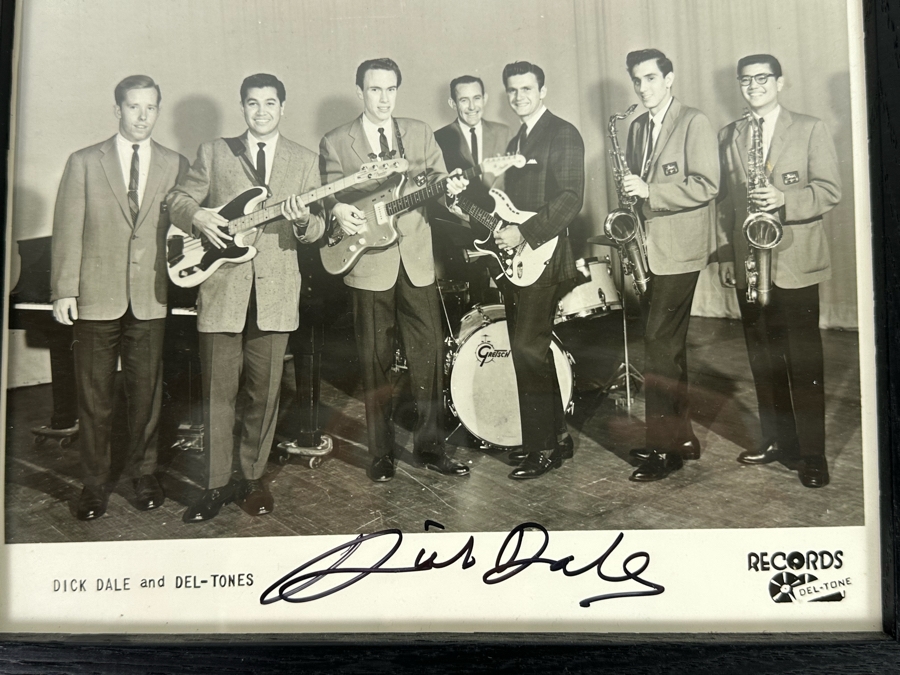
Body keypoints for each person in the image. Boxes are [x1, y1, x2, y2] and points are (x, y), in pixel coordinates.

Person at [167, 73, 325, 521]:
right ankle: (215, 485)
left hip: (276, 293)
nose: (261, 111)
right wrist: (197, 215)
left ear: (283, 107)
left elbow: (316, 229)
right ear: (242, 107)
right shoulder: (214, 152)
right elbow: (178, 198)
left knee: (265, 393)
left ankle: (252, 478)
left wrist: (301, 221)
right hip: (222, 288)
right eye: (253, 103)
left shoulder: (305, 160)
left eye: (270, 103)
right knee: (218, 394)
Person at [319, 58, 470, 482]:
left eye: (390, 89)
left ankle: (431, 448)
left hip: (417, 260)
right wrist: (337, 208)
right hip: (368, 261)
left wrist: (451, 190)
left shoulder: (418, 132)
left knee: (429, 356)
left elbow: (439, 181)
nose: (384, 99)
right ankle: (381, 453)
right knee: (375, 360)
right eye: (375, 89)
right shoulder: (336, 141)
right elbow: (327, 195)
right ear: (360, 92)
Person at [50, 75, 189, 520]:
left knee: (146, 395)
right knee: (95, 398)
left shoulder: (176, 164)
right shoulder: (84, 161)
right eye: (133, 107)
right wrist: (64, 290)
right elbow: (67, 229)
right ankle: (93, 485)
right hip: (96, 295)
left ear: (158, 110)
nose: (142, 116)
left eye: (151, 107)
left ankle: (144, 475)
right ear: (118, 110)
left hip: (150, 295)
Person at [717, 54, 841, 488]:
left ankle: (812, 455)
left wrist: (784, 199)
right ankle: (777, 441)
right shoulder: (729, 134)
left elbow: (829, 190)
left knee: (804, 362)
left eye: (762, 78)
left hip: (795, 263)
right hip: (750, 263)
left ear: (780, 82)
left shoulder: (809, 128)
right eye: (746, 80)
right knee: (763, 359)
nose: (754, 86)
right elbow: (725, 204)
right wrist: (729, 257)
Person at [621, 49, 719, 482]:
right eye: (636, 80)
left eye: (650, 78)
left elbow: (707, 183)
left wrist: (650, 191)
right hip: (649, 250)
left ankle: (663, 451)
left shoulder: (694, 121)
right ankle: (683, 438)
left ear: (669, 78)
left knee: (658, 343)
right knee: (669, 347)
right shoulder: (638, 127)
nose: (643, 87)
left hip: (680, 250)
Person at [493, 61, 585, 480]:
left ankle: (542, 449)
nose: (519, 97)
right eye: (512, 90)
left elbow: (570, 198)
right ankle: (554, 439)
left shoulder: (562, 132)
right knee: (532, 350)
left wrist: (524, 234)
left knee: (528, 350)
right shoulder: (518, 139)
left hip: (545, 257)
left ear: (542, 91)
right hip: (524, 260)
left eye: (526, 89)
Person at [431, 75, 510, 306]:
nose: (472, 106)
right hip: (462, 234)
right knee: (473, 306)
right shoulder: (438, 139)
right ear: (452, 103)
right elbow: (434, 186)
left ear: (485, 98)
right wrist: (452, 206)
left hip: (503, 230)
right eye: (464, 100)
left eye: (476, 98)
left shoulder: (505, 133)